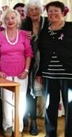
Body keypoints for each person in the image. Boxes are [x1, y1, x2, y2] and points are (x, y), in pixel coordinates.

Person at [0, 8, 32, 137]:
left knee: (20, 101)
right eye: (7, 18)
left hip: (21, 73)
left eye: (12, 18)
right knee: (6, 101)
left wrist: (26, 70)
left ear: (17, 20)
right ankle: (8, 126)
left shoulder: (24, 34)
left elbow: (28, 54)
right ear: (3, 21)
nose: (10, 21)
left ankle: (18, 126)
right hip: (5, 74)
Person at [38, 1, 72, 137]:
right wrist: (39, 72)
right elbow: (41, 53)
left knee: (70, 106)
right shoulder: (44, 31)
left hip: (69, 74)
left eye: (55, 11)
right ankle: (50, 133)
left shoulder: (70, 27)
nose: (52, 13)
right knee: (49, 106)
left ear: (63, 12)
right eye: (50, 11)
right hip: (49, 74)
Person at [20, 0, 49, 135]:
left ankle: (49, 123)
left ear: (40, 10)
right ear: (27, 12)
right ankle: (33, 122)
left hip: (46, 63)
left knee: (46, 95)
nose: (34, 12)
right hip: (28, 63)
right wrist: (26, 39)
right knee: (29, 95)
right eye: (31, 10)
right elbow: (19, 42)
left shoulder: (47, 21)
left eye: (36, 9)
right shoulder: (24, 23)